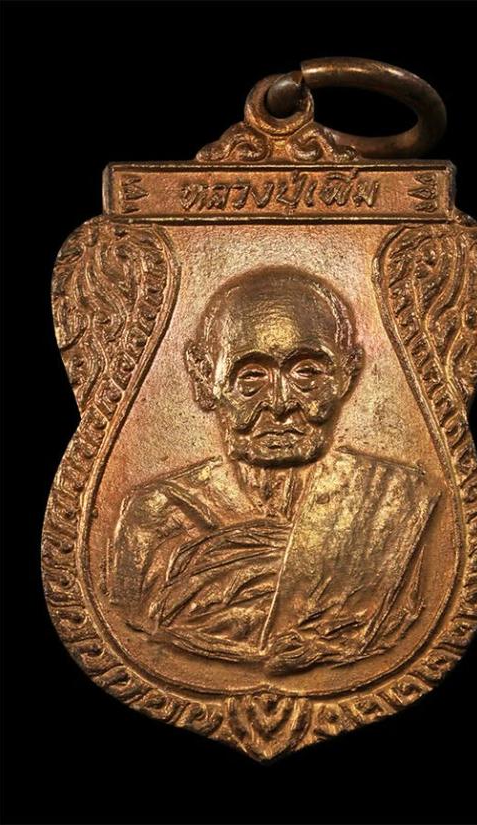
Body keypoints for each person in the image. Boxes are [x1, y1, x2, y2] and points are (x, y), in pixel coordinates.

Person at [109, 266, 439, 674]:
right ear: (204, 379)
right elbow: (132, 625)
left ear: (348, 374)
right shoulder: (159, 515)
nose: (281, 403)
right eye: (251, 377)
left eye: (307, 373)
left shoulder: (393, 502)